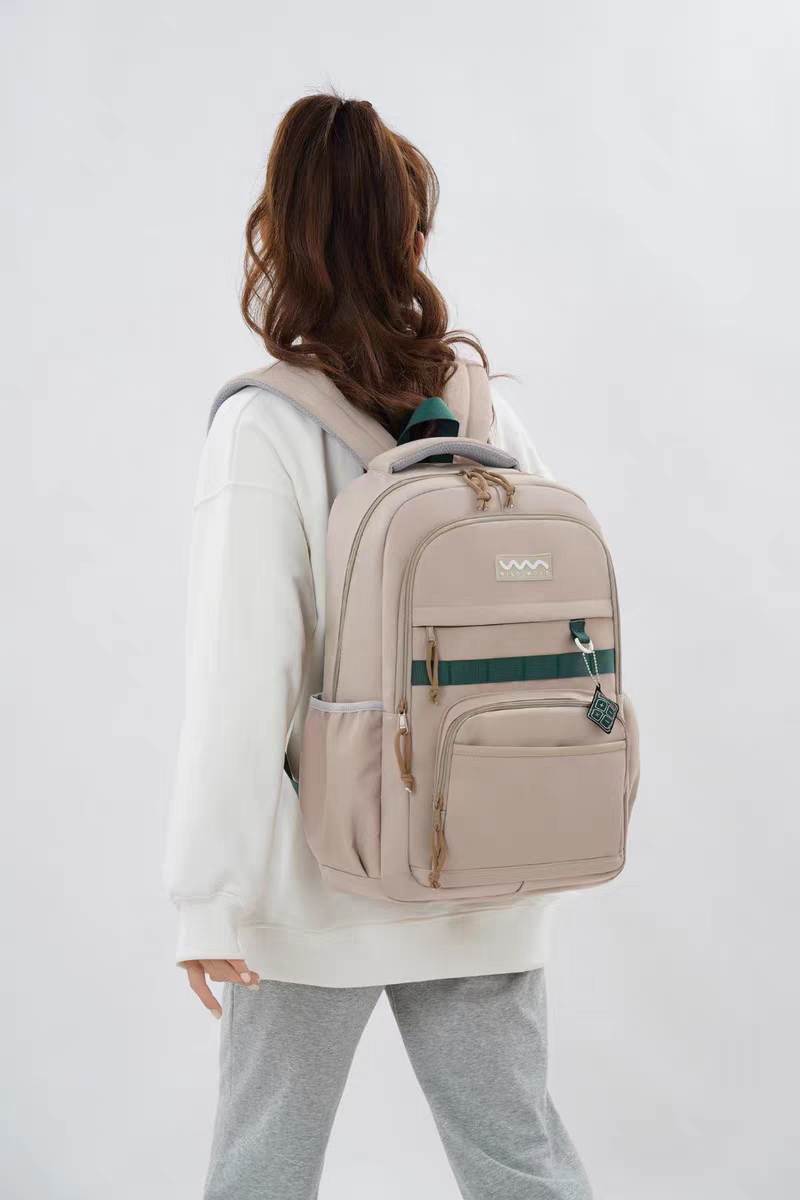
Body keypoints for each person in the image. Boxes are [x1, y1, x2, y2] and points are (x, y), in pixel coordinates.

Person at [164, 92, 592, 1200]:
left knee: (262, 1169)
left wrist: (209, 896)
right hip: (484, 861)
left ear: (278, 233)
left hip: (321, 881)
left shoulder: (264, 424)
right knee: (521, 1165)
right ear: (411, 234)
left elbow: (240, 676)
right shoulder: (486, 416)